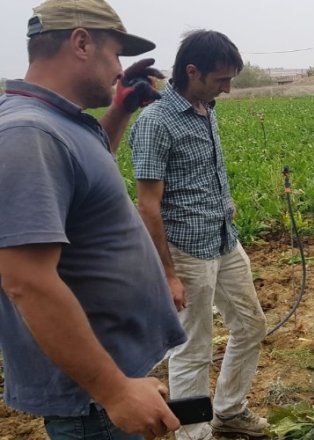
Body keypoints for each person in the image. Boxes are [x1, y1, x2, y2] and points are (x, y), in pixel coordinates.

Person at [0, 0, 187, 439]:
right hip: (94, 400)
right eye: (116, 53)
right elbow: (26, 280)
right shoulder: (29, 134)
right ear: (82, 42)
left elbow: (79, 173)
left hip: (109, 380)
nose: (120, 69)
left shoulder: (57, 123)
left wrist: (120, 110)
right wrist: (115, 390)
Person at [129, 29, 268, 439]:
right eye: (220, 80)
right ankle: (195, 434)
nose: (226, 89)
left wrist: (221, 203)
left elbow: (201, 173)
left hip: (224, 238)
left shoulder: (206, 106)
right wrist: (168, 274)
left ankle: (228, 410)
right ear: (192, 71)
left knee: (250, 324)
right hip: (186, 250)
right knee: (193, 347)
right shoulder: (155, 122)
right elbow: (148, 205)